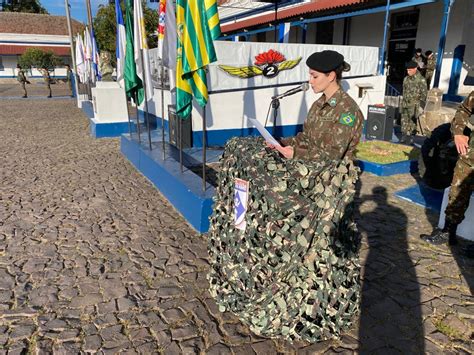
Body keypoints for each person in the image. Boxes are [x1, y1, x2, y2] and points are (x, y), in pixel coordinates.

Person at [268, 50, 363, 161]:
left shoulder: (347, 109)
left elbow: (334, 156)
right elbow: (305, 138)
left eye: (315, 77)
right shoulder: (318, 105)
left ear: (331, 76)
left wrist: (296, 154)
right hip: (311, 167)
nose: (310, 81)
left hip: (332, 174)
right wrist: (280, 143)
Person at [421, 90, 473, 247]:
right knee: (457, 193)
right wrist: (458, 132)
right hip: (470, 156)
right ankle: (448, 233)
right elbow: (464, 110)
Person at [400, 61, 427, 144]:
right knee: (403, 120)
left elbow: (424, 95)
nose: (408, 72)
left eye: (410, 70)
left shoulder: (421, 80)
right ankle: (403, 136)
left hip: (414, 104)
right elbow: (404, 91)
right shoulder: (406, 79)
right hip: (405, 103)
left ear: (415, 69)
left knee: (412, 122)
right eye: (407, 70)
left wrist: (421, 107)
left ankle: (411, 137)